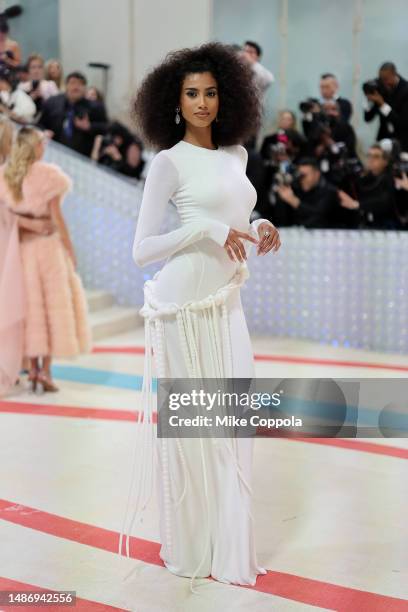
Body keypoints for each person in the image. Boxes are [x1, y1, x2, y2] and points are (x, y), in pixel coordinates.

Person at [118, 42, 281, 592]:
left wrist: (259, 227)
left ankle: (231, 550)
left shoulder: (235, 156)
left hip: (226, 304)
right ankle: (191, 547)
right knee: (192, 435)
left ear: (227, 96)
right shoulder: (167, 162)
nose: (203, 103)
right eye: (192, 93)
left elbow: (236, 216)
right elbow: (143, 249)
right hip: (182, 308)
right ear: (175, 100)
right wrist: (205, 231)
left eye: (211, 92)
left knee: (232, 426)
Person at [0, 127, 92, 393]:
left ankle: (32, 370)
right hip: (49, 249)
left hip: (22, 250)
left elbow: (7, 218)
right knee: (52, 307)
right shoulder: (49, 176)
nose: (44, 147)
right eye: (41, 143)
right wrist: (70, 248)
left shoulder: (8, 178)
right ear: (35, 147)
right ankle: (46, 372)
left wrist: (27, 224)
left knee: (29, 310)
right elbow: (56, 219)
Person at [0, 118, 55, 396]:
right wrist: (40, 226)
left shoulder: (9, 174)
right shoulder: (6, 175)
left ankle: (20, 366)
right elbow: (12, 216)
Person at [39, 71, 108, 157]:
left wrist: (89, 127)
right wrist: (44, 132)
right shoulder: (52, 103)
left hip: (82, 156)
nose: (76, 87)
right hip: (54, 152)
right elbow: (40, 124)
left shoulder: (95, 107)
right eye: (72, 83)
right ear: (66, 86)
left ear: (85, 88)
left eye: (80, 84)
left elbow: (106, 128)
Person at [338, 144, 399, 229]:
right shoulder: (364, 177)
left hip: (386, 224)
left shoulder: (391, 178)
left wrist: (357, 205)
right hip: (365, 222)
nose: (371, 160)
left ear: (385, 161)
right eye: (369, 156)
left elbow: (384, 201)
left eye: (376, 157)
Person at [276, 157, 341, 228]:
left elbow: (319, 217)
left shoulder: (330, 191)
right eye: (300, 175)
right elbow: (282, 220)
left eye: (304, 175)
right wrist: (282, 199)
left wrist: (294, 202)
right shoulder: (297, 188)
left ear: (317, 174)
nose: (302, 179)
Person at [363, 62, 408, 152]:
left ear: (394, 75)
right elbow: (368, 118)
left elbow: (402, 123)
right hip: (383, 140)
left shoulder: (405, 90)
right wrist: (368, 101)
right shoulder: (379, 86)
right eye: (381, 79)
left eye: (386, 79)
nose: (383, 83)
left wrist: (382, 104)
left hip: (402, 142)